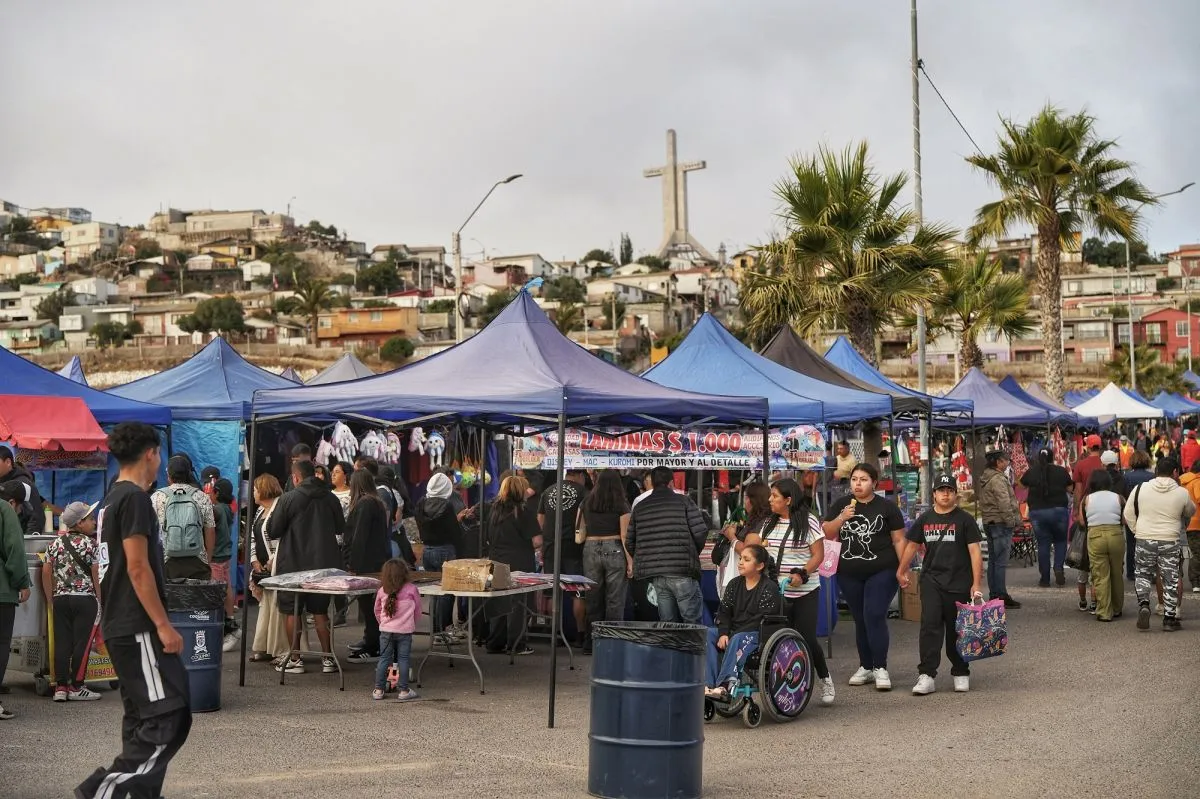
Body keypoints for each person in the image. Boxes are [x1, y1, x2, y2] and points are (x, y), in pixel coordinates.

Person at [76, 422, 191, 799]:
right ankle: (101, 791)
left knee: (142, 716)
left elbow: (107, 567)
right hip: (137, 624)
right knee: (166, 715)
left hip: (119, 622)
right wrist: (163, 624)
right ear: (151, 453)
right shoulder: (135, 499)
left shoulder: (111, 498)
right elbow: (138, 568)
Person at [745, 478, 834, 706]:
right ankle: (783, 685)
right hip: (777, 590)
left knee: (806, 637)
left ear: (788, 500)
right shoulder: (769, 522)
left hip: (805, 590)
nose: (770, 499)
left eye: (775, 496)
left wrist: (802, 574)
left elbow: (818, 555)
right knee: (777, 639)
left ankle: (825, 678)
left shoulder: (809, 521)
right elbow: (758, 547)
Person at [822, 462, 906, 691]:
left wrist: (902, 569)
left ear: (874, 483)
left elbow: (899, 539)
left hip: (883, 569)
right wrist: (842, 518)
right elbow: (827, 531)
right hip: (849, 572)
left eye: (863, 480)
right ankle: (866, 666)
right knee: (860, 618)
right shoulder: (842, 504)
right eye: (854, 479)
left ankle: (880, 667)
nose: (858, 484)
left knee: (874, 614)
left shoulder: (887, 507)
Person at [898, 473, 983, 696]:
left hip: (959, 582)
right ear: (934, 494)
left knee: (958, 629)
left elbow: (975, 552)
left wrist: (976, 583)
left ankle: (961, 671)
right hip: (931, 581)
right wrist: (901, 570)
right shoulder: (924, 519)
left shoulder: (965, 520)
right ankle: (927, 674)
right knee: (930, 626)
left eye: (950, 490)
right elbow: (912, 545)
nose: (945, 494)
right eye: (941, 490)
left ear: (955, 494)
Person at [267, 459, 346, 674]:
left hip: (292, 564)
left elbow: (273, 530)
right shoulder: (330, 498)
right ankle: (328, 658)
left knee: (292, 610)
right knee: (320, 610)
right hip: (323, 563)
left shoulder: (288, 499)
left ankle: (295, 659)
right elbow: (340, 527)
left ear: (295, 477)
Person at [626, 466, 709, 625]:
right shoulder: (684, 501)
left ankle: (671, 642)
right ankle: (691, 643)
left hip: (657, 574)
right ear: (671, 482)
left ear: (651, 483)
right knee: (692, 623)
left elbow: (630, 541)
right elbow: (700, 532)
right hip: (682, 571)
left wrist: (647, 558)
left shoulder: (640, 507)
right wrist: (691, 553)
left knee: (667, 623)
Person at [40, 501, 102, 702]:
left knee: (62, 642)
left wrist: (50, 598)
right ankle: (76, 686)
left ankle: (61, 687)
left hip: (60, 599)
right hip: (85, 600)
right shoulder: (91, 544)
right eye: (90, 519)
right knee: (82, 643)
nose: (94, 522)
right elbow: (96, 573)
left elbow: (46, 572)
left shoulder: (54, 544)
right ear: (80, 523)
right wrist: (100, 599)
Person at [703, 544, 782, 700]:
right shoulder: (734, 584)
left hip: (757, 633)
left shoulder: (769, 588)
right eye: (740, 559)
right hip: (734, 631)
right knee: (707, 633)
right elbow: (724, 612)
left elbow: (760, 620)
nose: (740, 562)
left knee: (737, 639)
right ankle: (708, 684)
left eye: (746, 559)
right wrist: (723, 633)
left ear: (759, 566)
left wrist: (732, 634)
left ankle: (726, 685)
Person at [1124, 457, 1192, 632]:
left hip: (1144, 537)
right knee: (1170, 578)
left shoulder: (1140, 489)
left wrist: (1137, 530)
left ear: (1155, 471)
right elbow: (1190, 511)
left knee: (1143, 574)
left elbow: (1128, 513)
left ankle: (1144, 604)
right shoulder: (1182, 492)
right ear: (1175, 472)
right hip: (1170, 539)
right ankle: (1169, 619)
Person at [484, 476, 541, 655]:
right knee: (519, 604)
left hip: (495, 560)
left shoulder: (493, 510)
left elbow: (487, 537)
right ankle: (516, 644)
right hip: (520, 561)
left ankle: (495, 642)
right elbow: (537, 541)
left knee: (498, 600)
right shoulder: (524, 512)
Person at [580, 470, 632, 651]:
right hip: (615, 547)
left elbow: (579, 530)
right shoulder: (621, 504)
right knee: (615, 599)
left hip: (590, 547)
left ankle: (590, 642)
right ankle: (612, 644)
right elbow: (625, 535)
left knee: (592, 597)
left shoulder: (586, 502)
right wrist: (630, 561)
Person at [344, 471, 392, 664]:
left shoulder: (365, 504)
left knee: (369, 606)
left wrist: (353, 564)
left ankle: (373, 645)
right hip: (376, 561)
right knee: (372, 605)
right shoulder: (376, 502)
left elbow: (359, 536)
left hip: (366, 564)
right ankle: (371, 640)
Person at [538, 469, 589, 645]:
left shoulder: (548, 491)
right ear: (580, 476)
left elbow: (540, 520)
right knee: (577, 592)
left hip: (551, 547)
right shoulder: (583, 492)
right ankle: (580, 634)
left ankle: (555, 633)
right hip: (574, 548)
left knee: (553, 592)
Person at [414, 472, 465, 639]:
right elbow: (454, 532)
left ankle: (436, 631)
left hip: (427, 550)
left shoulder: (421, 503)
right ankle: (444, 630)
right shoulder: (447, 506)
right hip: (446, 550)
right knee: (447, 592)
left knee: (434, 592)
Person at [152, 454, 216, 580]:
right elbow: (210, 531)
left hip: (166, 562)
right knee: (199, 593)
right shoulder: (202, 497)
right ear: (188, 474)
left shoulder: (156, 497)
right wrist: (207, 559)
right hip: (197, 561)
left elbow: (151, 533)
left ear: (169, 475)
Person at [248, 474, 291, 665]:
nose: (253, 493)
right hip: (262, 566)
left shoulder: (279, 509)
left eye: (255, 489)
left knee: (277, 609)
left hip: (278, 565)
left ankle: (282, 649)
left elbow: (283, 538)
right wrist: (254, 560)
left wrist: (272, 560)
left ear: (263, 490)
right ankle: (265, 646)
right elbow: (253, 537)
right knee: (266, 607)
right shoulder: (260, 511)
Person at [0, 482, 33, 714]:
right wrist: (22, 582)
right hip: (2, 591)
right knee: (1, 643)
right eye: (20, 508)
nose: (19, 512)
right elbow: (14, 548)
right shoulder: (4, 509)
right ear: (13, 502)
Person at [1020, 448, 1073, 588]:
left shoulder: (1032, 471)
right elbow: (1070, 489)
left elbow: (1022, 485)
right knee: (1060, 541)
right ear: (1052, 457)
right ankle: (1058, 567)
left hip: (1037, 512)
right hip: (1059, 511)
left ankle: (1044, 579)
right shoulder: (1061, 471)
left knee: (1043, 544)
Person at [976, 451, 1022, 609]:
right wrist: (1011, 522)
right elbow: (1004, 502)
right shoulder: (997, 479)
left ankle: (995, 594)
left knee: (994, 561)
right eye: (1005, 461)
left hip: (990, 522)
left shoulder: (986, 477)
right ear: (998, 462)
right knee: (1000, 562)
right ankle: (1000, 595)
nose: (1007, 463)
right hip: (1000, 523)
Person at [372, 558, 420, 701]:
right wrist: (411, 624)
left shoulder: (382, 590)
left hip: (386, 631)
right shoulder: (412, 589)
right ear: (405, 573)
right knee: (403, 659)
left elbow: (377, 610)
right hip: (405, 631)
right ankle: (404, 691)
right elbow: (417, 611)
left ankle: (379, 690)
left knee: (384, 659)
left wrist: (383, 623)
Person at [1081, 469, 1125, 622]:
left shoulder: (1087, 499)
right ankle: (1117, 608)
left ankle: (1104, 612)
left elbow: (1082, 522)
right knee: (1117, 573)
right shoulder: (1119, 498)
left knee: (1100, 575)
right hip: (1115, 535)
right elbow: (1124, 520)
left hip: (1095, 536)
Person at [715, 482, 771, 593]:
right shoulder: (757, 520)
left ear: (751, 500)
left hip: (750, 580)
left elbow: (747, 551)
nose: (744, 502)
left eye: (745, 497)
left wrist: (731, 536)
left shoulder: (761, 522)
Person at [210, 477, 241, 653]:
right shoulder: (228, 509)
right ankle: (229, 621)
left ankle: (228, 628)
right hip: (225, 555)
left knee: (217, 593)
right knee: (226, 587)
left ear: (217, 493)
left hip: (216, 556)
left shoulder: (217, 510)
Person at [1123, 449, 1156, 581]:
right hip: (1148, 513)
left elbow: (1124, 496)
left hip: (1132, 513)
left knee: (1131, 543)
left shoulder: (1126, 477)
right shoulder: (1152, 477)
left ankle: (1131, 572)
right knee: (1149, 543)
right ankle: (1148, 571)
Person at [0, 445, 46, 534]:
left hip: (20, 536)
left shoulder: (23, 484)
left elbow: (36, 516)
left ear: (8, 462)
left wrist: (28, 538)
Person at [1072, 435, 1105, 517]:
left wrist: (1076, 509)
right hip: (1104, 504)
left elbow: (1078, 490)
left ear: (1088, 448)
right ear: (1100, 447)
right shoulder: (1105, 463)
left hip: (1086, 505)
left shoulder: (1080, 465)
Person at [1180, 460, 1200, 595]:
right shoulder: (1197, 481)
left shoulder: (1182, 480)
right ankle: (1196, 581)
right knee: (1196, 553)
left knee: (1180, 553)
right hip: (1196, 523)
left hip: (1183, 523)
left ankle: (1176, 577)